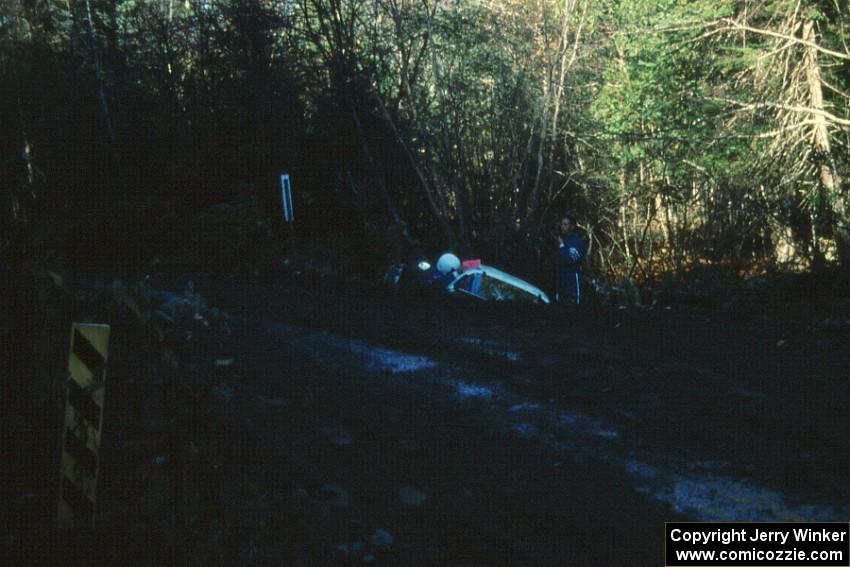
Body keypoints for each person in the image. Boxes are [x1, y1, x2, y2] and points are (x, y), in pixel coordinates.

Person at [555, 214, 587, 305]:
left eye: (566, 224)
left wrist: (561, 246)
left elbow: (569, 260)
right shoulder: (561, 240)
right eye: (562, 224)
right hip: (561, 286)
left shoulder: (577, 242)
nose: (563, 227)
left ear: (572, 226)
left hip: (572, 286)